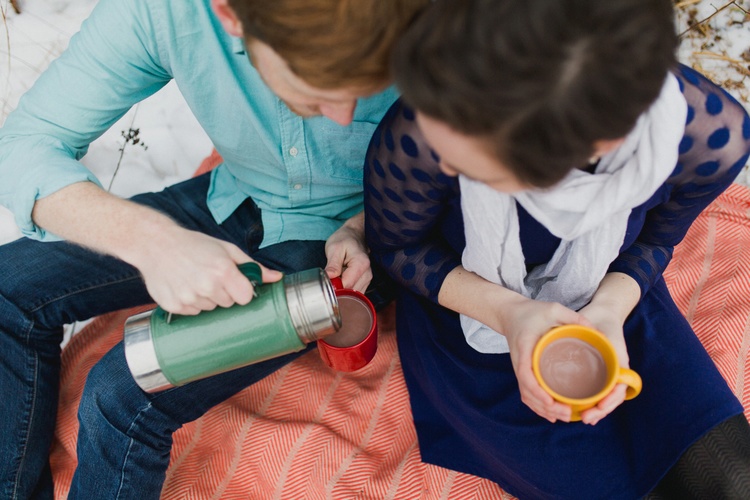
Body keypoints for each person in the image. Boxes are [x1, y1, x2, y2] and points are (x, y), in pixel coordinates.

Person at [0, 0, 428, 497]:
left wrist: (363, 226)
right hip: (229, 199)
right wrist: (150, 241)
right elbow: (23, 146)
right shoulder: (168, 11)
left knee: (119, 392)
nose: (345, 114)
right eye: (312, 89)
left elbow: (466, 161)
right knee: (8, 288)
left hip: (352, 237)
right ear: (230, 16)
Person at [364, 0, 750, 498]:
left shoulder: (709, 141)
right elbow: (397, 247)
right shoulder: (429, 121)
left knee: (734, 480)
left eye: (479, 163)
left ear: (597, 147)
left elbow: (656, 240)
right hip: (471, 315)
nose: (451, 161)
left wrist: (609, 311)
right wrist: (509, 314)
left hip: (613, 290)